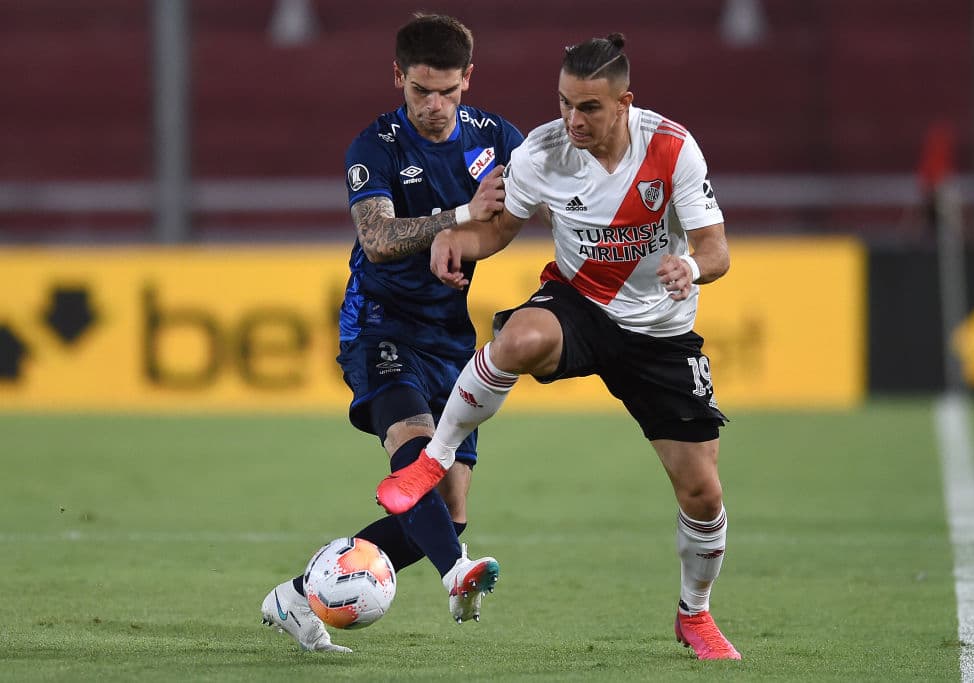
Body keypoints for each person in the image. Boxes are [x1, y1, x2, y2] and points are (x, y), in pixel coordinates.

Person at [376, 33, 742, 660]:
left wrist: (690, 267)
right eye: (566, 103)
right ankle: (435, 457)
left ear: (624, 103)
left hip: (660, 333)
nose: (573, 119)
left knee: (702, 494)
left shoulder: (671, 148)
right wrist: (456, 238)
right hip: (581, 304)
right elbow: (499, 231)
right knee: (518, 337)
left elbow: (716, 251)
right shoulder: (541, 152)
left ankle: (695, 614)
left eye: (589, 107)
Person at [261, 13, 523, 653]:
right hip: (378, 323)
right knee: (415, 445)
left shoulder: (497, 139)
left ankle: (296, 596)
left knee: (449, 512)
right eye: (420, 91)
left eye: (447, 91)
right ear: (397, 77)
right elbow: (377, 238)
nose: (434, 106)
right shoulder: (375, 146)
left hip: (448, 336)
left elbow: (530, 206)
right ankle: (456, 574)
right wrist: (459, 215)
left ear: (468, 78)